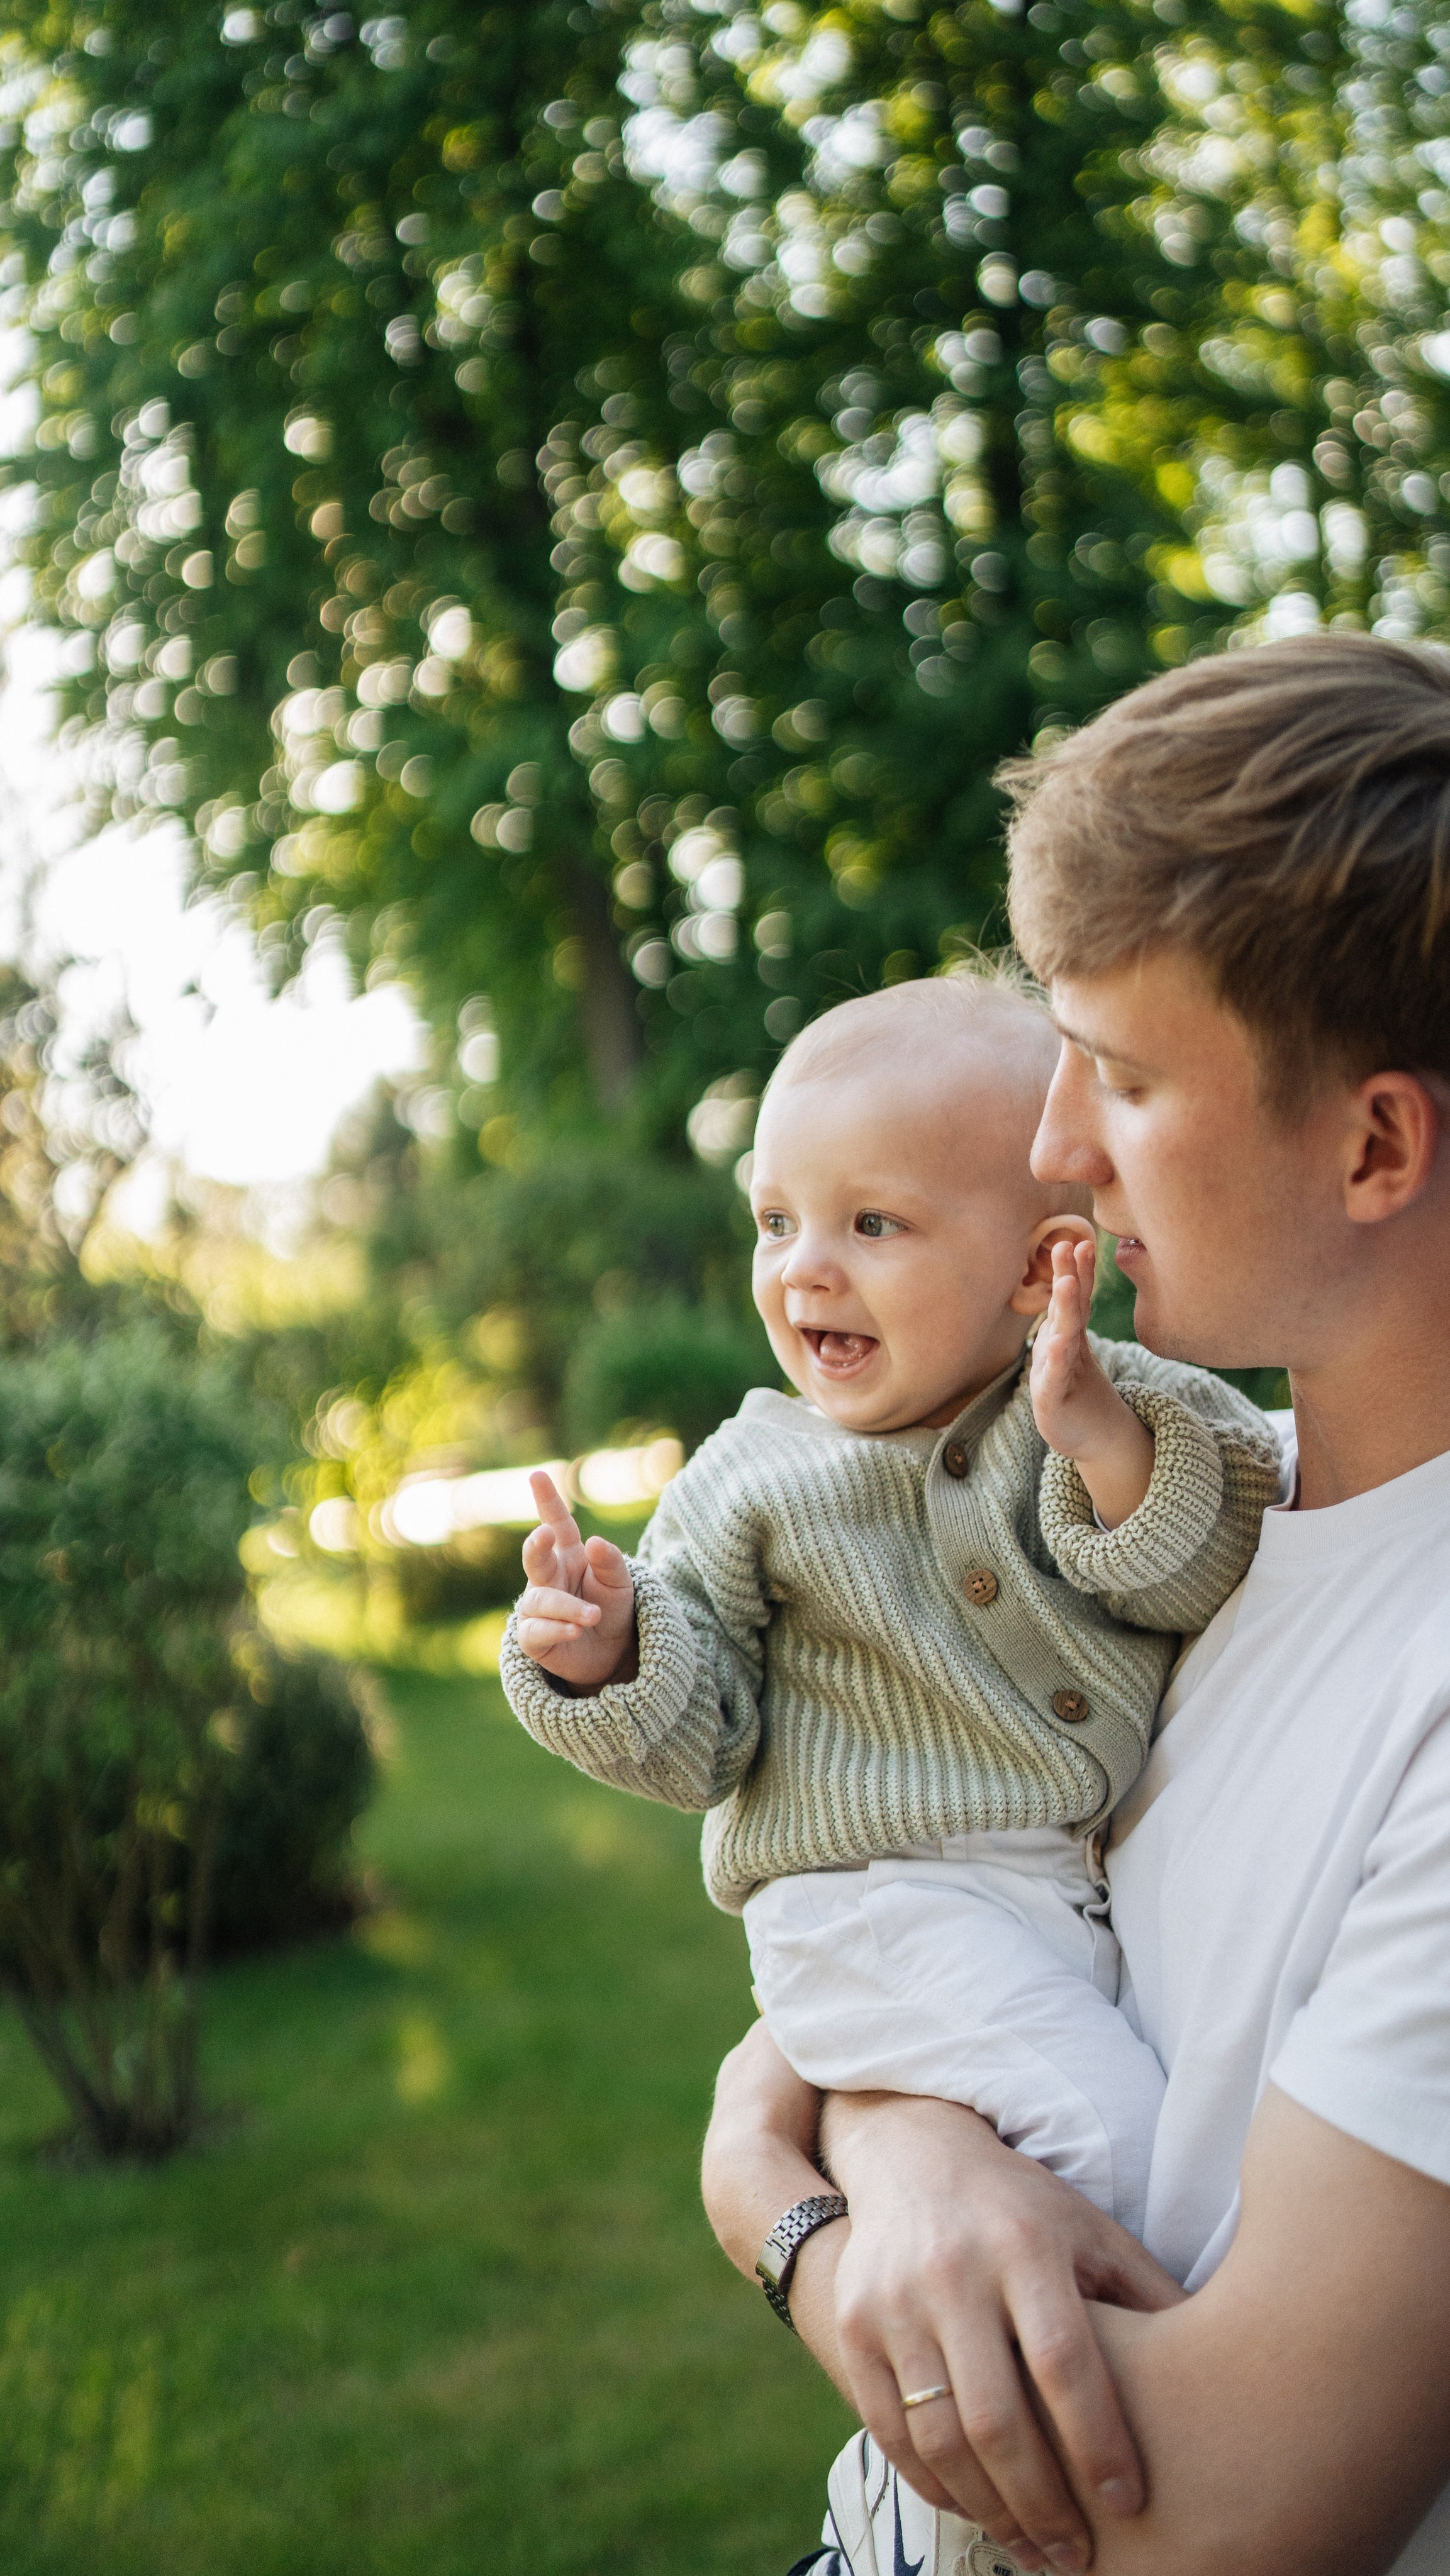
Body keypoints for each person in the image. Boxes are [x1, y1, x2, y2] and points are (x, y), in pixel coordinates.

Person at [701, 631, 1450, 2576]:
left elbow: (1219, 2526)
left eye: (1115, 1076)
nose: (1048, 1152)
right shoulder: (1198, 1521)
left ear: (1375, 1144)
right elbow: (926, 1915)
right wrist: (888, 2135)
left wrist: (784, 2221)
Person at [501, 973, 1278, 2250]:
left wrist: (1098, 1442)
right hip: (872, 1902)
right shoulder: (755, 1477)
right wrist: (610, 1650)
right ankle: (1167, 2416)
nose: (804, 1266)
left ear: (1039, 1265)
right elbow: (705, 1741)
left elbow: (1204, 1561)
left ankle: (954, 2425)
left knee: (1111, 2153)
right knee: (1128, 2154)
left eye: (871, 1222)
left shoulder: (1094, 1404)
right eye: (773, 1218)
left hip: (1045, 1903)